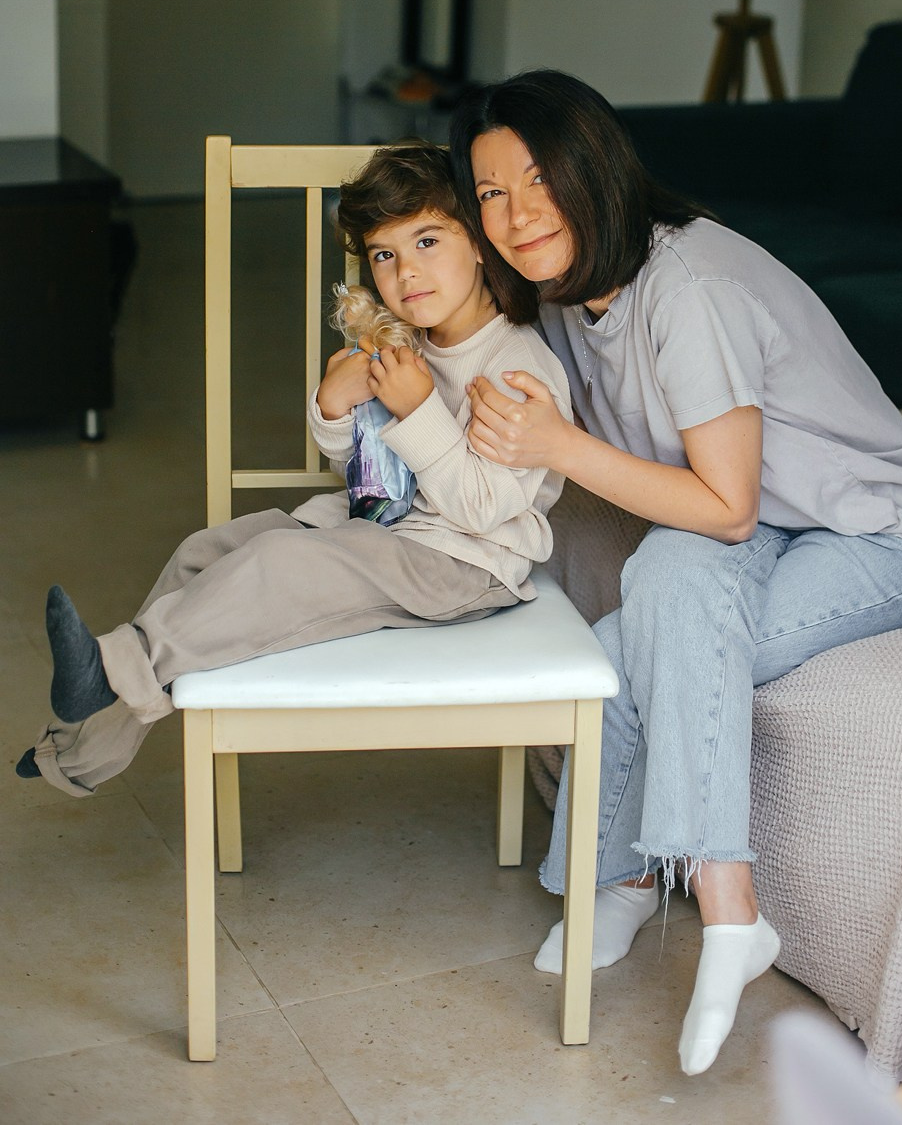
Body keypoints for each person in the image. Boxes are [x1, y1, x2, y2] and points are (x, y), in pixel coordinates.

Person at [449, 71, 902, 1077]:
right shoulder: (566, 292)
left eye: (534, 180)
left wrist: (554, 443)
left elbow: (725, 502)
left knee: (625, 647)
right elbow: (714, 516)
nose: (513, 215)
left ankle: (624, 887)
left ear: (589, 169)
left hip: (876, 533)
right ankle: (721, 905)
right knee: (668, 583)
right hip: (752, 524)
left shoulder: (689, 286)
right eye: (489, 194)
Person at [17, 141, 571, 797]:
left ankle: (114, 666)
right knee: (203, 552)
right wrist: (334, 408)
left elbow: (484, 509)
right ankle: (79, 756)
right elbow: (370, 479)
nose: (406, 274)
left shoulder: (515, 369)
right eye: (384, 256)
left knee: (278, 562)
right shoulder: (405, 341)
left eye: (427, 242)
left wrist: (420, 411)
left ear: (479, 244)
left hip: (464, 566)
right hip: (387, 534)